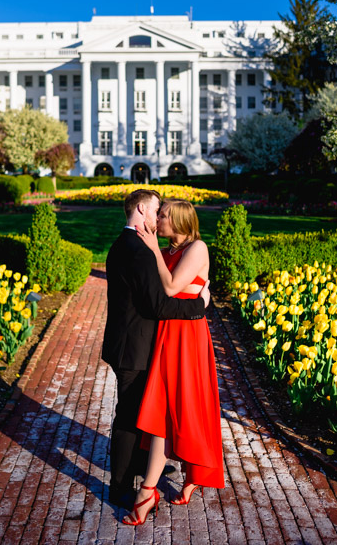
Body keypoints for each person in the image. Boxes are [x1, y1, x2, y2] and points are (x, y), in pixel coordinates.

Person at [102, 189, 210, 513]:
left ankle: (141, 468)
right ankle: (121, 487)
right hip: (132, 348)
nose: (157, 215)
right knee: (129, 417)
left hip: (133, 343)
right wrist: (199, 308)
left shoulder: (128, 243)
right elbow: (159, 304)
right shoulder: (137, 249)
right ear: (141, 209)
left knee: (140, 413)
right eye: (155, 210)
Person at [123, 199, 225, 525]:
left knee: (187, 407)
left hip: (189, 340)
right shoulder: (166, 252)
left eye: (163, 216)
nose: (159, 220)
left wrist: (152, 248)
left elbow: (170, 287)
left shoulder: (197, 248)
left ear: (179, 220)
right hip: (165, 336)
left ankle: (167, 483)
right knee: (162, 410)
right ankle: (150, 489)